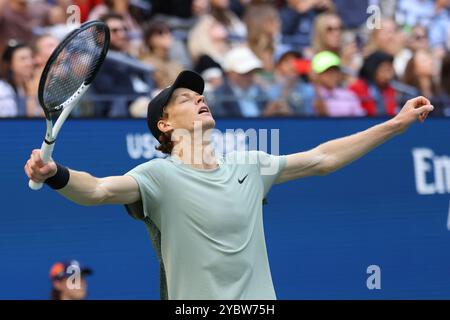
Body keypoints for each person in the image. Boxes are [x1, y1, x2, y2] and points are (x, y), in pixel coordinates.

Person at [25, 70, 434, 299]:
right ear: (164, 124)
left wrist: (395, 125)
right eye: (185, 98)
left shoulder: (250, 163)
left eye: (199, 95)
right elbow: (96, 190)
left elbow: (323, 159)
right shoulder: (157, 176)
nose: (200, 99)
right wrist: (55, 174)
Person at [311, 51, 364, 117]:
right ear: (316, 75)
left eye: (335, 71)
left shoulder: (349, 95)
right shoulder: (310, 95)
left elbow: (360, 120)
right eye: (327, 72)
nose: (332, 75)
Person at [0, 41, 34, 117]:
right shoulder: (2, 91)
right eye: (23, 59)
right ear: (10, 64)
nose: (30, 63)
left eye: (31, 57)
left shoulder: (23, 87)